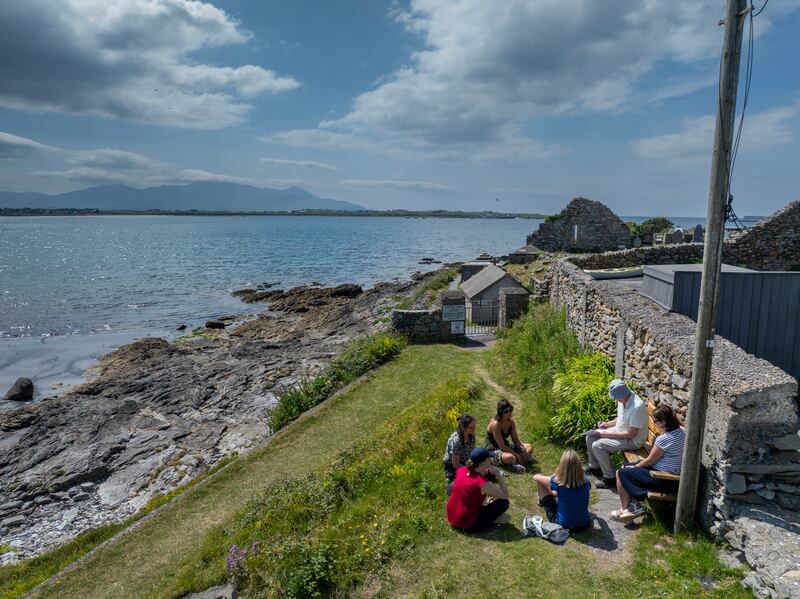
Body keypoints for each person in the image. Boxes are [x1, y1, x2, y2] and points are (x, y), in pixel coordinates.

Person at [610, 405, 685, 522]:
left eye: (655, 421)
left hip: (663, 479)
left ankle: (630, 508)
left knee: (621, 472)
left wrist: (636, 466)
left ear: (663, 421)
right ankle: (629, 507)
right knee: (625, 467)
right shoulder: (682, 431)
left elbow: (650, 460)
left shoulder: (664, 439)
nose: (654, 424)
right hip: (670, 475)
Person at [585, 379, 648, 489]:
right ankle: (595, 466)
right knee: (590, 437)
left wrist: (605, 435)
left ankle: (610, 478)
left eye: (615, 397)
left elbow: (631, 434)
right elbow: (621, 419)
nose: (615, 400)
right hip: (620, 431)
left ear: (621, 395)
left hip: (633, 440)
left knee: (598, 445)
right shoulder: (624, 399)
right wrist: (606, 424)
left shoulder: (637, 407)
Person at [446, 447, 511, 532]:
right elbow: (505, 495)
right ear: (483, 462)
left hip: (452, 519)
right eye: (489, 458)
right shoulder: (483, 483)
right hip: (468, 525)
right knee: (503, 503)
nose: (491, 460)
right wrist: (498, 475)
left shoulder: (461, 470)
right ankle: (490, 521)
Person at [533, 449, 592, 530]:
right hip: (584, 523)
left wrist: (556, 474)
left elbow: (535, 477)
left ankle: (541, 500)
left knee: (540, 482)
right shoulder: (586, 482)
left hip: (563, 524)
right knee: (566, 496)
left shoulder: (558, 483)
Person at [485, 399, 534, 473]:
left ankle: (515, 463)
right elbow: (502, 446)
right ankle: (517, 462)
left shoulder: (511, 423)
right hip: (493, 450)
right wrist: (517, 455)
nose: (509, 413)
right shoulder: (495, 424)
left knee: (529, 447)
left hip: (506, 446)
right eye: (506, 411)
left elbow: (516, 440)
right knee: (511, 457)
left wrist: (522, 449)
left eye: (510, 410)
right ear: (501, 413)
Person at [443, 413, 477, 494]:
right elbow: (456, 465)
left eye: (474, 427)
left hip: (465, 461)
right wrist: (471, 468)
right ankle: (451, 484)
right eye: (471, 428)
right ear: (463, 427)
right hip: (452, 467)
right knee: (470, 479)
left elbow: (472, 451)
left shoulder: (471, 435)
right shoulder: (457, 441)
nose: (474, 429)